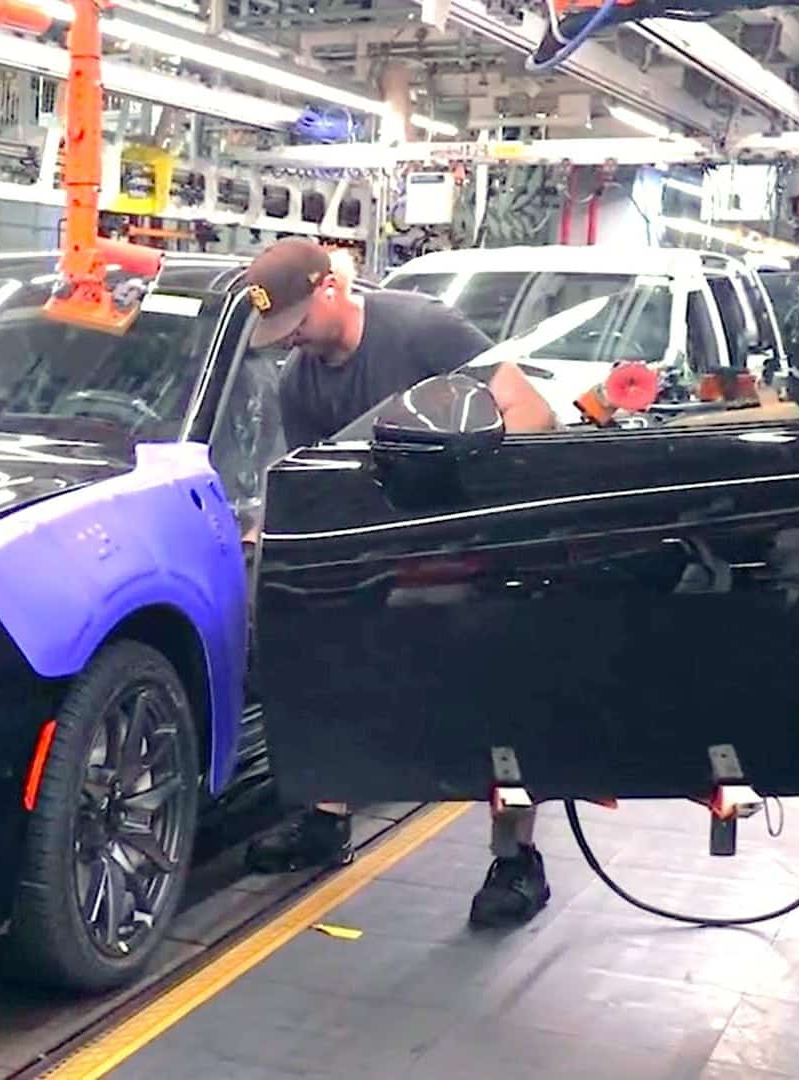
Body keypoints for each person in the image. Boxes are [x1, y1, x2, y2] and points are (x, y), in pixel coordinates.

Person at [235, 237, 561, 930]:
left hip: (476, 548)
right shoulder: (302, 381)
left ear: (330, 288)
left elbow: (530, 413)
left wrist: (454, 484)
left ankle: (516, 863)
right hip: (395, 557)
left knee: (501, 708)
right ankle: (327, 819)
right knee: (332, 664)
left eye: (295, 319)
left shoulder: (421, 330)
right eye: (279, 329)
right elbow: (323, 484)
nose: (289, 338)